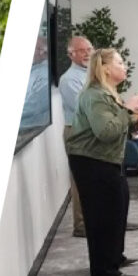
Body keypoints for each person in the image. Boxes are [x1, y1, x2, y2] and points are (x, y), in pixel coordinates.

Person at [66, 48, 138, 276]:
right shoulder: (96, 95)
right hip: (92, 161)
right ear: (106, 69)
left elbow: (115, 123)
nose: (124, 66)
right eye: (120, 62)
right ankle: (103, 271)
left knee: (117, 207)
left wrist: (135, 119)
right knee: (102, 215)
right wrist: (128, 109)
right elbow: (106, 132)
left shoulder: (108, 92)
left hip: (105, 159)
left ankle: (114, 257)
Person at [60, 36, 94, 238]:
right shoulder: (69, 79)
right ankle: (81, 225)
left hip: (91, 130)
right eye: (82, 50)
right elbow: (85, 109)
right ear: (71, 54)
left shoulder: (90, 75)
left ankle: (103, 220)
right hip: (78, 131)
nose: (87, 53)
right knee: (80, 179)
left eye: (89, 49)